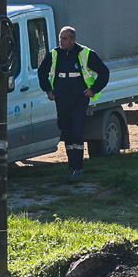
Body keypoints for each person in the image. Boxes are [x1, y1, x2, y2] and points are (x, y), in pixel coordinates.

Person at [36, 24, 110, 182]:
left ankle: (78, 168)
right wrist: (48, 90)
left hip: (79, 99)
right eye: (60, 38)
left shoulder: (86, 53)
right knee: (66, 131)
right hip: (62, 99)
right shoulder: (55, 54)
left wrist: (93, 89)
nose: (61, 42)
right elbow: (42, 72)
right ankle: (71, 167)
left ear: (73, 40)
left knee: (77, 131)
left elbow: (104, 72)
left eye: (65, 39)